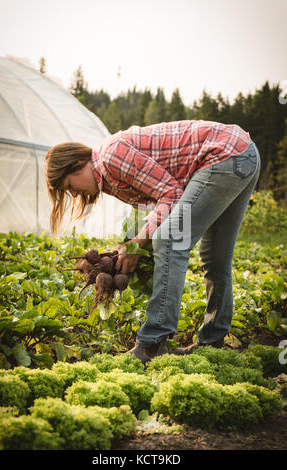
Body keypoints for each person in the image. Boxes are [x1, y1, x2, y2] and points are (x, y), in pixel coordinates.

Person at [45, 120, 261, 364]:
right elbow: (163, 204)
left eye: (69, 187)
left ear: (75, 167)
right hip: (242, 153)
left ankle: (152, 343)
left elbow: (171, 193)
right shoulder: (109, 170)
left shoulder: (110, 158)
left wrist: (136, 245)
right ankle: (213, 341)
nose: (74, 194)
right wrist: (128, 247)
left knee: (170, 240)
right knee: (216, 257)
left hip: (223, 155)